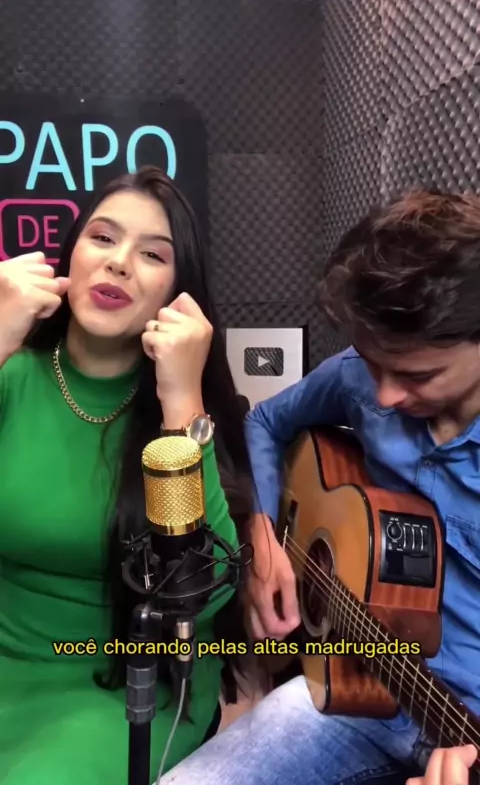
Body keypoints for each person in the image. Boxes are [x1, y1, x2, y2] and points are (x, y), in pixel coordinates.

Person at [159, 189, 480, 784]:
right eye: (373, 364)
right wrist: (265, 539)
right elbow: (263, 421)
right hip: (363, 685)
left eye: (418, 374)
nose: (384, 395)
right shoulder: (359, 378)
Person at [0, 165, 253, 784]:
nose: (118, 263)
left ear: (177, 291)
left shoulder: (180, 407)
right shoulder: (14, 375)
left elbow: (202, 589)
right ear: (71, 254)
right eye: (103, 238)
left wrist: (182, 400)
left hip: (130, 688)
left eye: (152, 254)